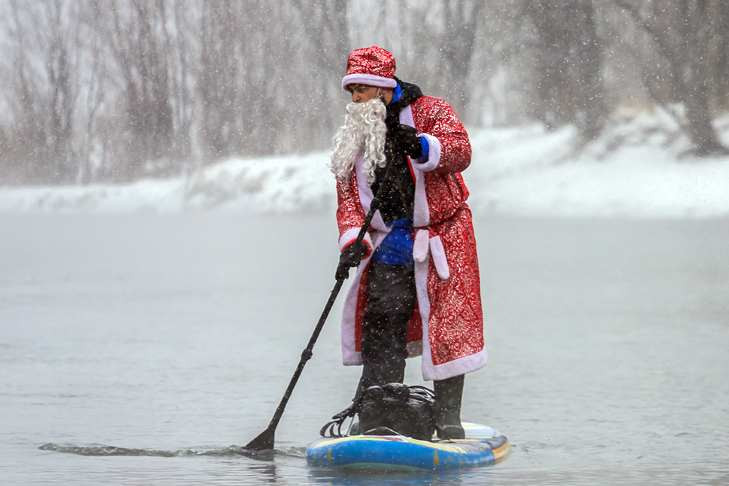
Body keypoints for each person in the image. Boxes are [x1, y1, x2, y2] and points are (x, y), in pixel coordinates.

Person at [330, 45, 486, 440]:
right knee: (382, 324)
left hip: (442, 238)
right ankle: (379, 412)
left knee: (449, 327)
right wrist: (352, 240)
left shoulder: (433, 111)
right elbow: (348, 198)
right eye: (351, 92)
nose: (356, 100)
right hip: (389, 245)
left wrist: (420, 145)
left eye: (362, 90)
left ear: (383, 87)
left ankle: (447, 417)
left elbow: (460, 150)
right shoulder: (356, 135)